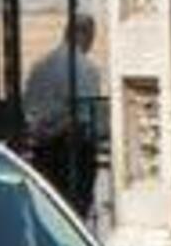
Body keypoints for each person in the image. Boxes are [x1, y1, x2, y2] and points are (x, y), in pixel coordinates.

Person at [20, 14, 106, 217]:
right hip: (70, 148)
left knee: (47, 207)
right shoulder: (86, 68)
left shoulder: (39, 65)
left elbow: (29, 105)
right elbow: (84, 113)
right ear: (85, 34)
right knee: (74, 211)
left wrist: (42, 132)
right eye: (92, 36)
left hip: (41, 146)